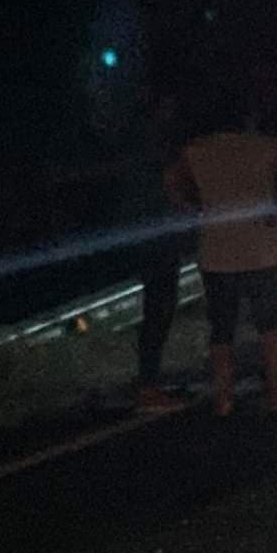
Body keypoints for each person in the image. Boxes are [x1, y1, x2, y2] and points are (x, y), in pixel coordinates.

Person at [166, 90, 277, 416]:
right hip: (261, 248)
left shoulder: (197, 151)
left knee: (222, 329)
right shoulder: (265, 147)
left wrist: (194, 208)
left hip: (218, 251)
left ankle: (224, 398)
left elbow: (171, 181)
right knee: (270, 325)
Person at [121, 89, 187, 412]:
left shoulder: (135, 145)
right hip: (160, 237)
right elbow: (172, 189)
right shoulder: (158, 148)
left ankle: (150, 382)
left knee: (156, 307)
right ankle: (148, 385)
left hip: (145, 235)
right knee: (160, 307)